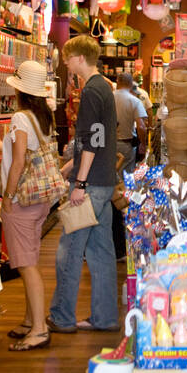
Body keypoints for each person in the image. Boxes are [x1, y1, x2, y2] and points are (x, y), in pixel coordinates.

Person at [48, 35, 120, 334]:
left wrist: (80, 181)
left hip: (90, 185)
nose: (65, 63)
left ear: (79, 57)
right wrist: (74, 166)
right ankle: (105, 317)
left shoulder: (91, 90)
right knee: (101, 252)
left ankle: (62, 316)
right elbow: (101, 137)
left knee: (70, 249)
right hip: (103, 180)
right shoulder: (104, 87)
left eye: (67, 58)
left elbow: (91, 140)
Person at [1, 60, 58, 352]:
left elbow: (19, 161)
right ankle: (29, 319)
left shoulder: (21, 118)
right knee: (30, 261)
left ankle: (38, 329)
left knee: (26, 265)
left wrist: (7, 198)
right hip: (42, 198)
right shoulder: (43, 116)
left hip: (23, 200)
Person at [113, 73, 148, 174]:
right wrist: (143, 143)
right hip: (126, 145)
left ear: (117, 82)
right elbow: (141, 126)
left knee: (110, 176)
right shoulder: (134, 101)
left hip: (108, 144)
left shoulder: (107, 98)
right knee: (125, 178)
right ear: (130, 84)